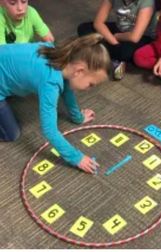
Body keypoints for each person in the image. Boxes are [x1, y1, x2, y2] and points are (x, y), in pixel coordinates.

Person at [0, 34, 111, 174]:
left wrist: (78, 117)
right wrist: (76, 158)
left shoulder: (61, 56)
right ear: (79, 71)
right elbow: (49, 130)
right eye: (91, 84)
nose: (90, 89)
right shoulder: (50, 83)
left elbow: (67, 89)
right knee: (11, 134)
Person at [77, 0, 158, 80]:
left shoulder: (147, 2)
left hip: (142, 36)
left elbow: (135, 37)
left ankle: (99, 52)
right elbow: (98, 23)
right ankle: (112, 57)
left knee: (126, 52)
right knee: (84, 28)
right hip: (119, 30)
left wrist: (115, 37)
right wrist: (114, 43)